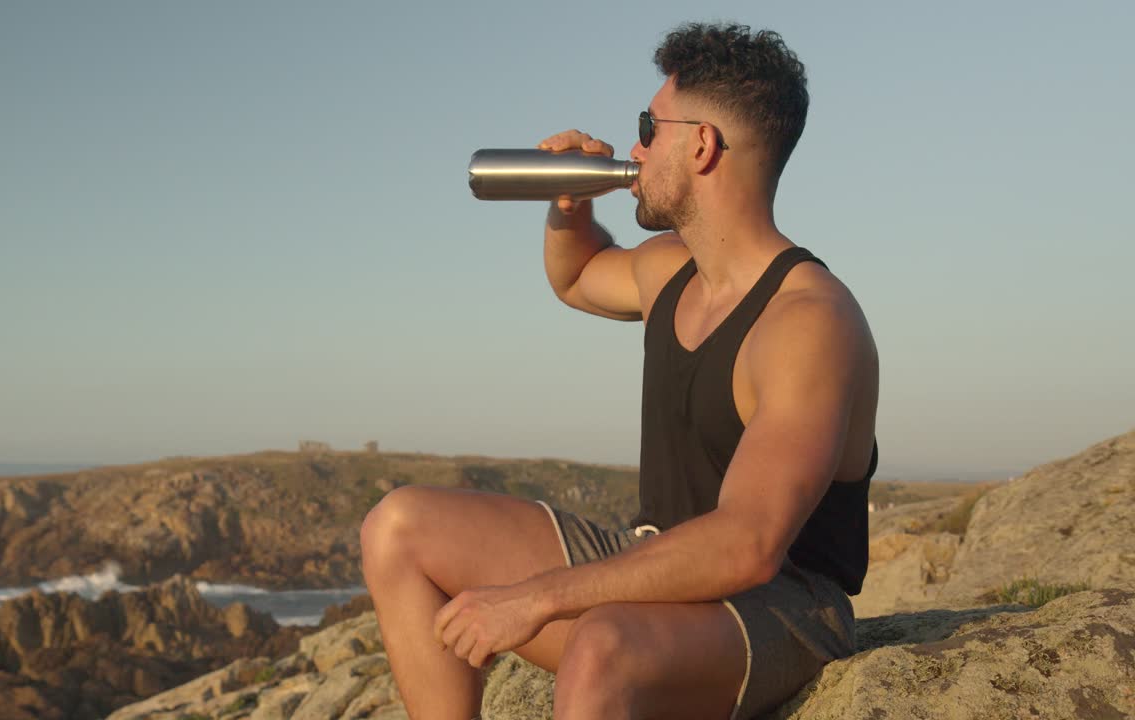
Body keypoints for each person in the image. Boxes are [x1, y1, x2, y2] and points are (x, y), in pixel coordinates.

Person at [360, 21, 878, 720]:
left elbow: (750, 543)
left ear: (702, 145)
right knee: (398, 527)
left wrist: (537, 598)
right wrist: (569, 205)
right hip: (657, 560)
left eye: (648, 128)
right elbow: (576, 277)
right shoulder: (670, 270)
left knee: (601, 642)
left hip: (783, 604)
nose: (634, 150)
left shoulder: (807, 322)